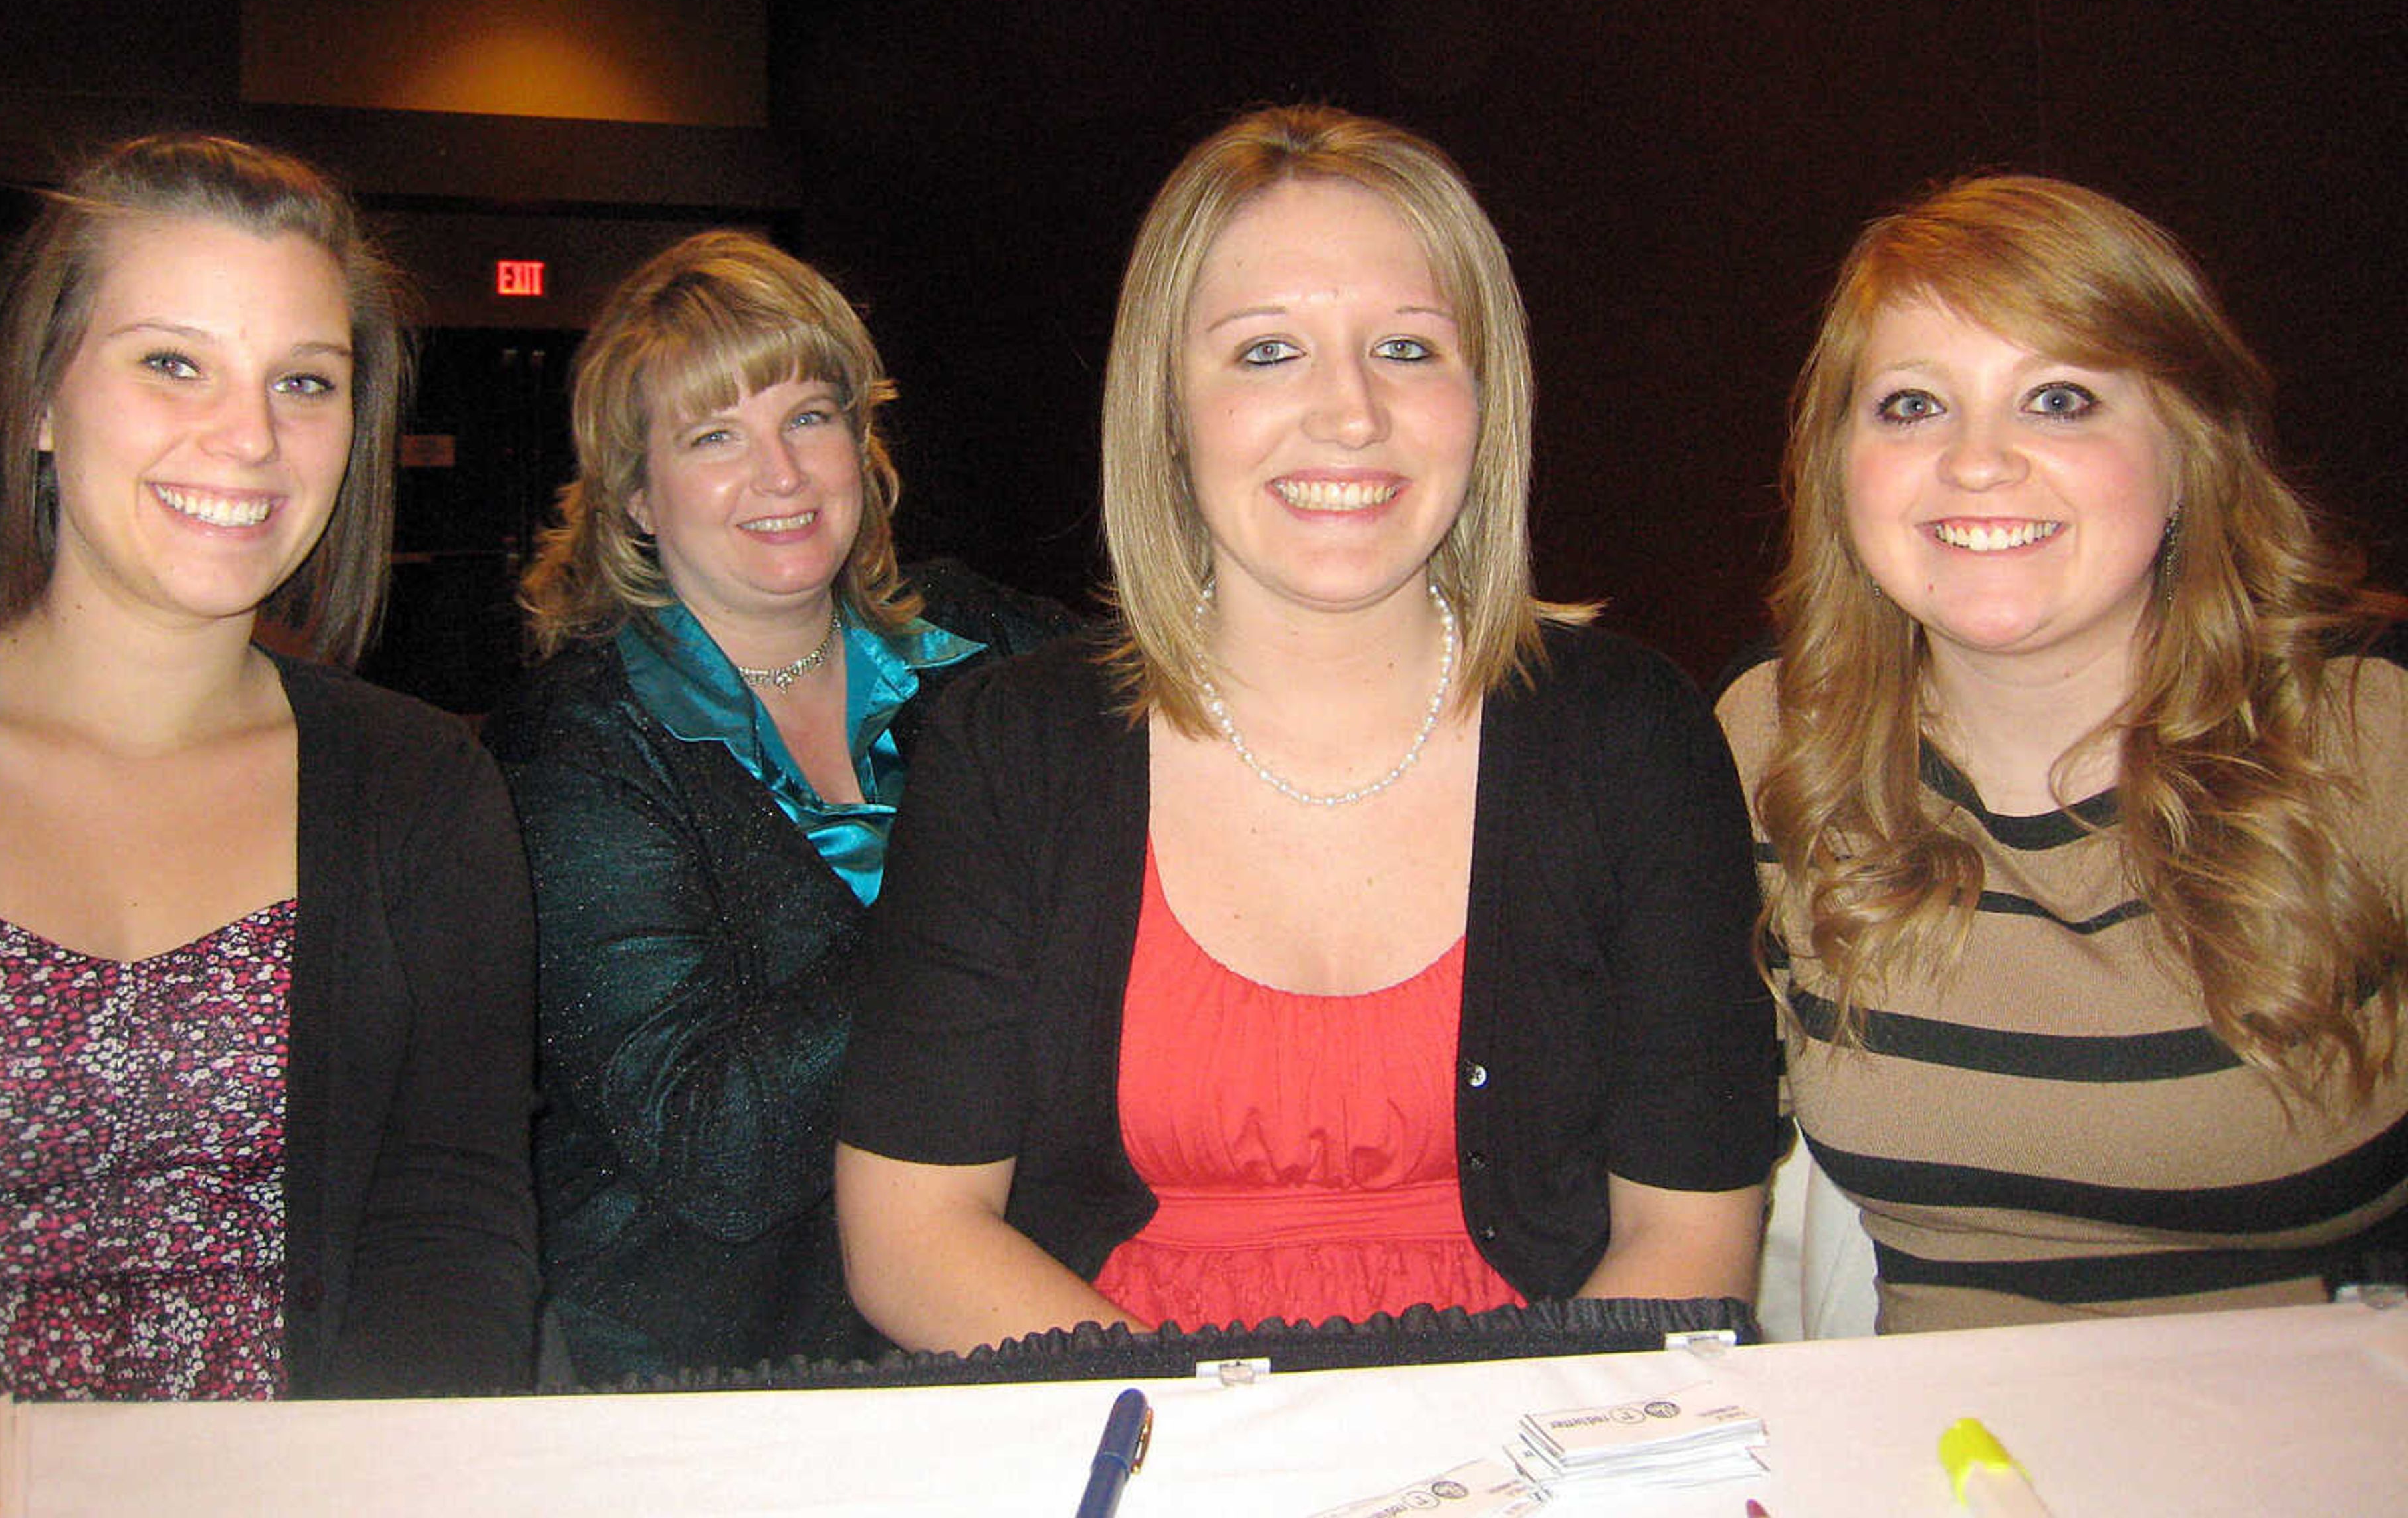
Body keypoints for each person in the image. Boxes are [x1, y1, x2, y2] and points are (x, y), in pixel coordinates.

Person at [835, 106, 1778, 1353]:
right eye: (1267, 352)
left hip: (1545, 1438)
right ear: (1167, 408)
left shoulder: (1634, 738)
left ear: (1485, 398)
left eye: (1407, 346)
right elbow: (913, 1234)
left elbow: (1692, 1240)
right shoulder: (1009, 752)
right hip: (1120, 1429)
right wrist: (1226, 1457)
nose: (1349, 414)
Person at [0, 134, 538, 1400]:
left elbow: (449, 1231)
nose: (248, 438)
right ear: (42, 398)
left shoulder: (423, 790)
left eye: (305, 382)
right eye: (174, 363)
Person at [1717, 173, 2408, 1333]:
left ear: (2192, 450)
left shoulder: (2372, 742)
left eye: (2060, 399)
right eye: (1911, 406)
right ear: (1839, 464)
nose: (1978, 462)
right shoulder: (1775, 742)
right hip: (1936, 1457)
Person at [482, 230, 1073, 1383]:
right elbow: (721, 1145)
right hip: (723, 1374)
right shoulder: (577, 749)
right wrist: (978, 901)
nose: (783, 475)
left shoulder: (985, 648)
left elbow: (1200, 709)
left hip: (1012, 1309)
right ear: (637, 495)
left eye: (808, 415)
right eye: (715, 437)